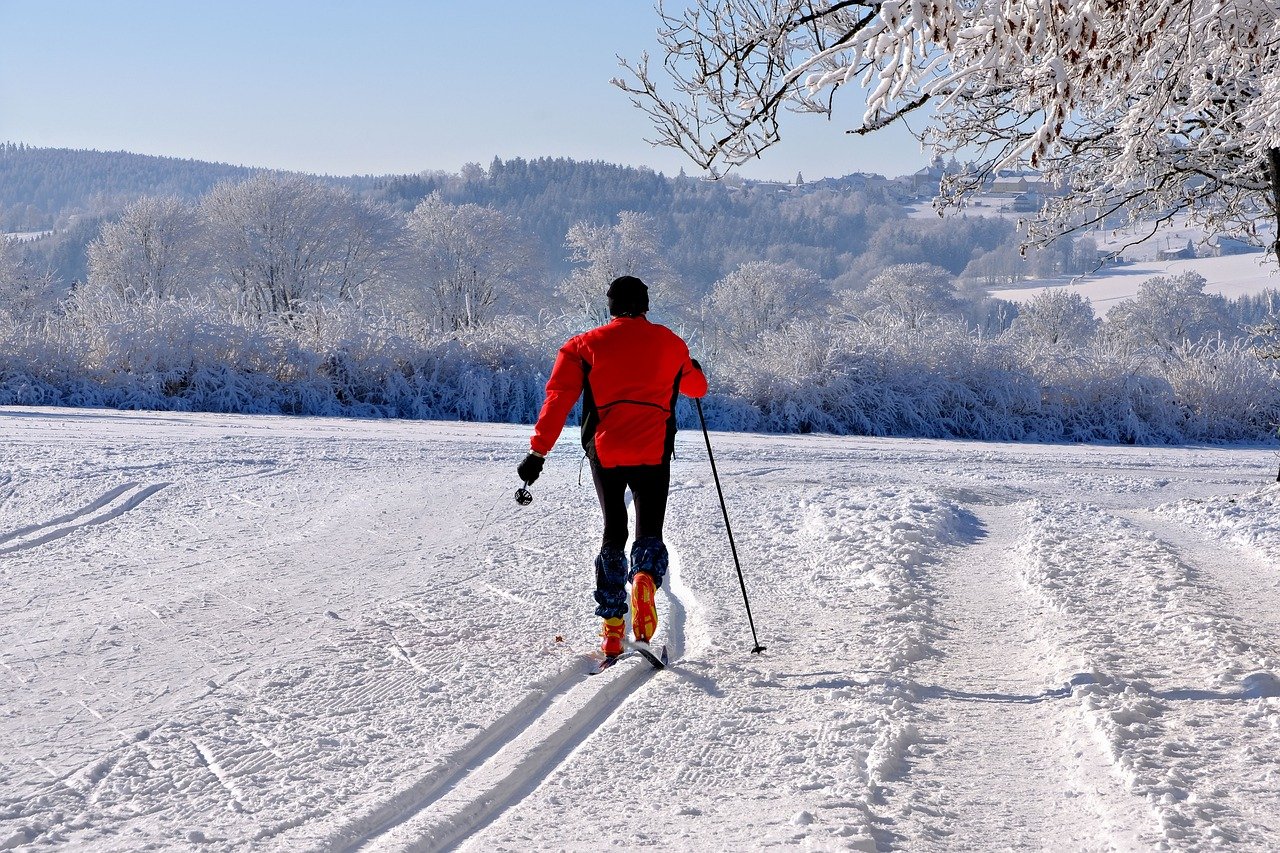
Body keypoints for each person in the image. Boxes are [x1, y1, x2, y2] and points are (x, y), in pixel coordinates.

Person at [517, 275, 707, 658]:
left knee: (613, 530)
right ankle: (644, 580)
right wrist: (694, 368)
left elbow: (557, 400)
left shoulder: (583, 346)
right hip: (653, 450)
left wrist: (537, 454)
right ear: (646, 305)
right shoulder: (671, 343)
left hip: (605, 451)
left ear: (610, 305)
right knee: (649, 529)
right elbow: (696, 389)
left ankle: (612, 628)